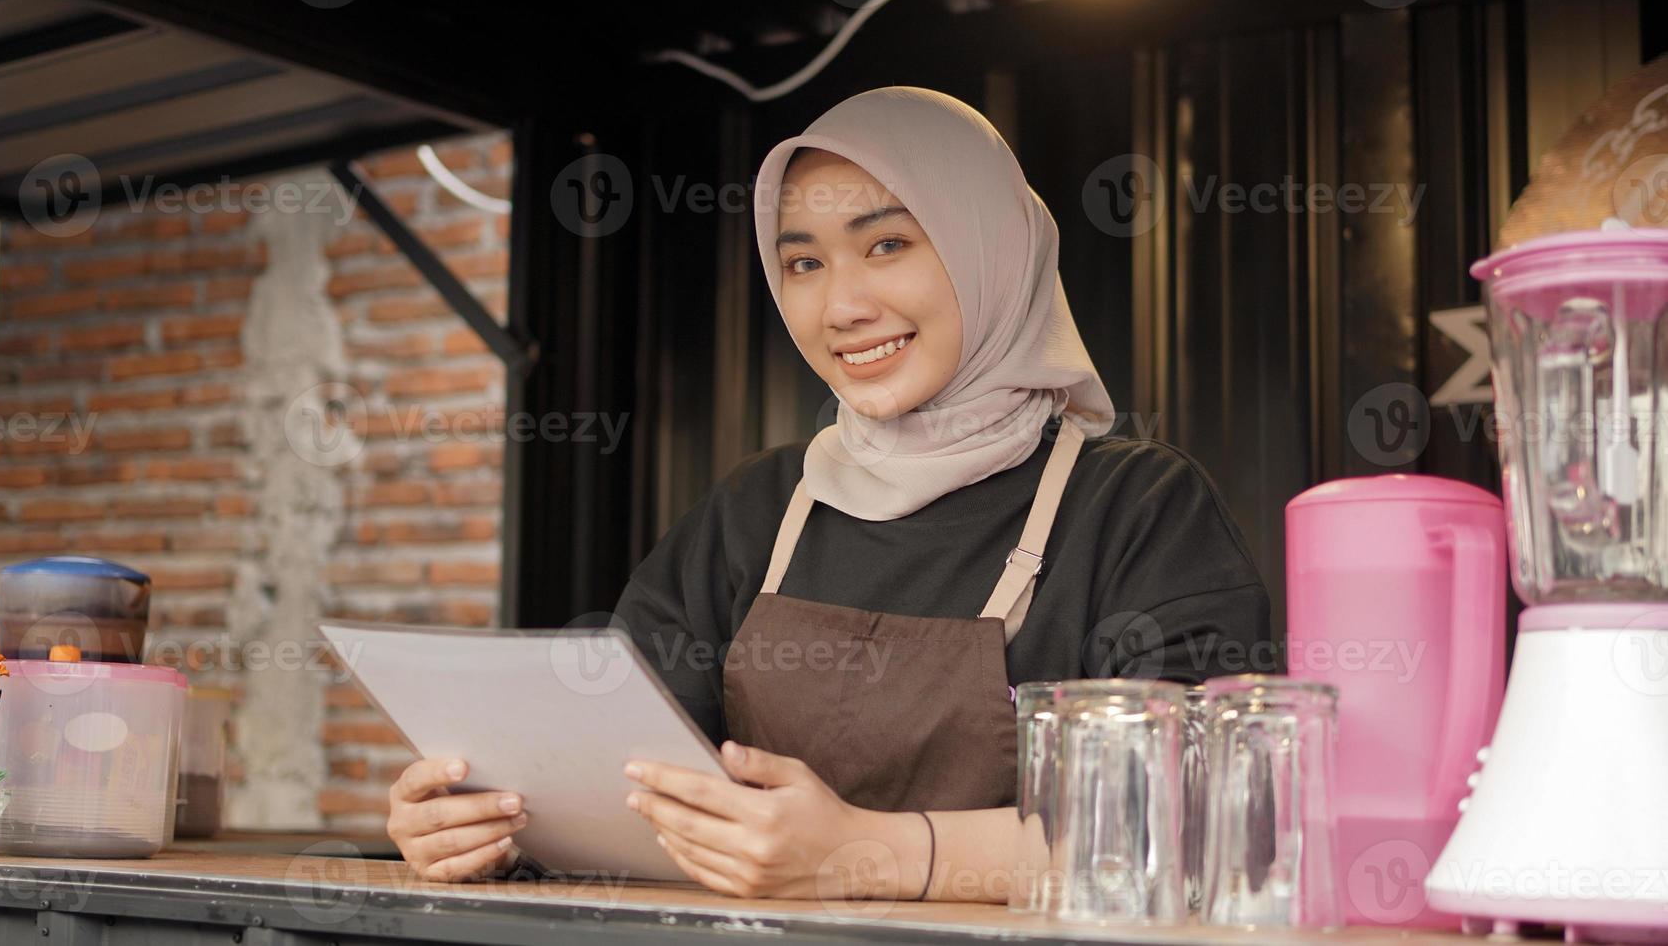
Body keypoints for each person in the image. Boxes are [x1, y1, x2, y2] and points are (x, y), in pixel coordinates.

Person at [386, 86, 1274, 900]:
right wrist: (494, 825)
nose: (840, 306)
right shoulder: (759, 509)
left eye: (886, 244)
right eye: (803, 263)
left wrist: (864, 851)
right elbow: (620, 780)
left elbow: (1196, 828)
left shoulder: (1138, 509)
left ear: (991, 249)